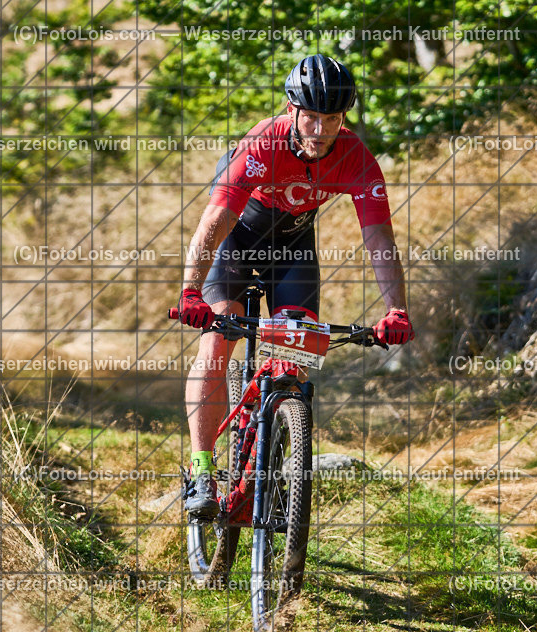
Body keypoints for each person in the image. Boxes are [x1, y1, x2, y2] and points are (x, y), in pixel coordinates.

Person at [176, 54, 415, 519]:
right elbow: (214, 222)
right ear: (292, 110)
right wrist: (190, 292)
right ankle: (202, 471)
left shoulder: (356, 157)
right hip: (237, 246)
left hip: (293, 251)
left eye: (332, 118)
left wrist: (396, 310)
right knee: (218, 341)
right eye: (311, 117)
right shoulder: (263, 143)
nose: (320, 129)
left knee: (298, 358)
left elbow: (379, 239)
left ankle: (269, 467)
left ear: (344, 117)